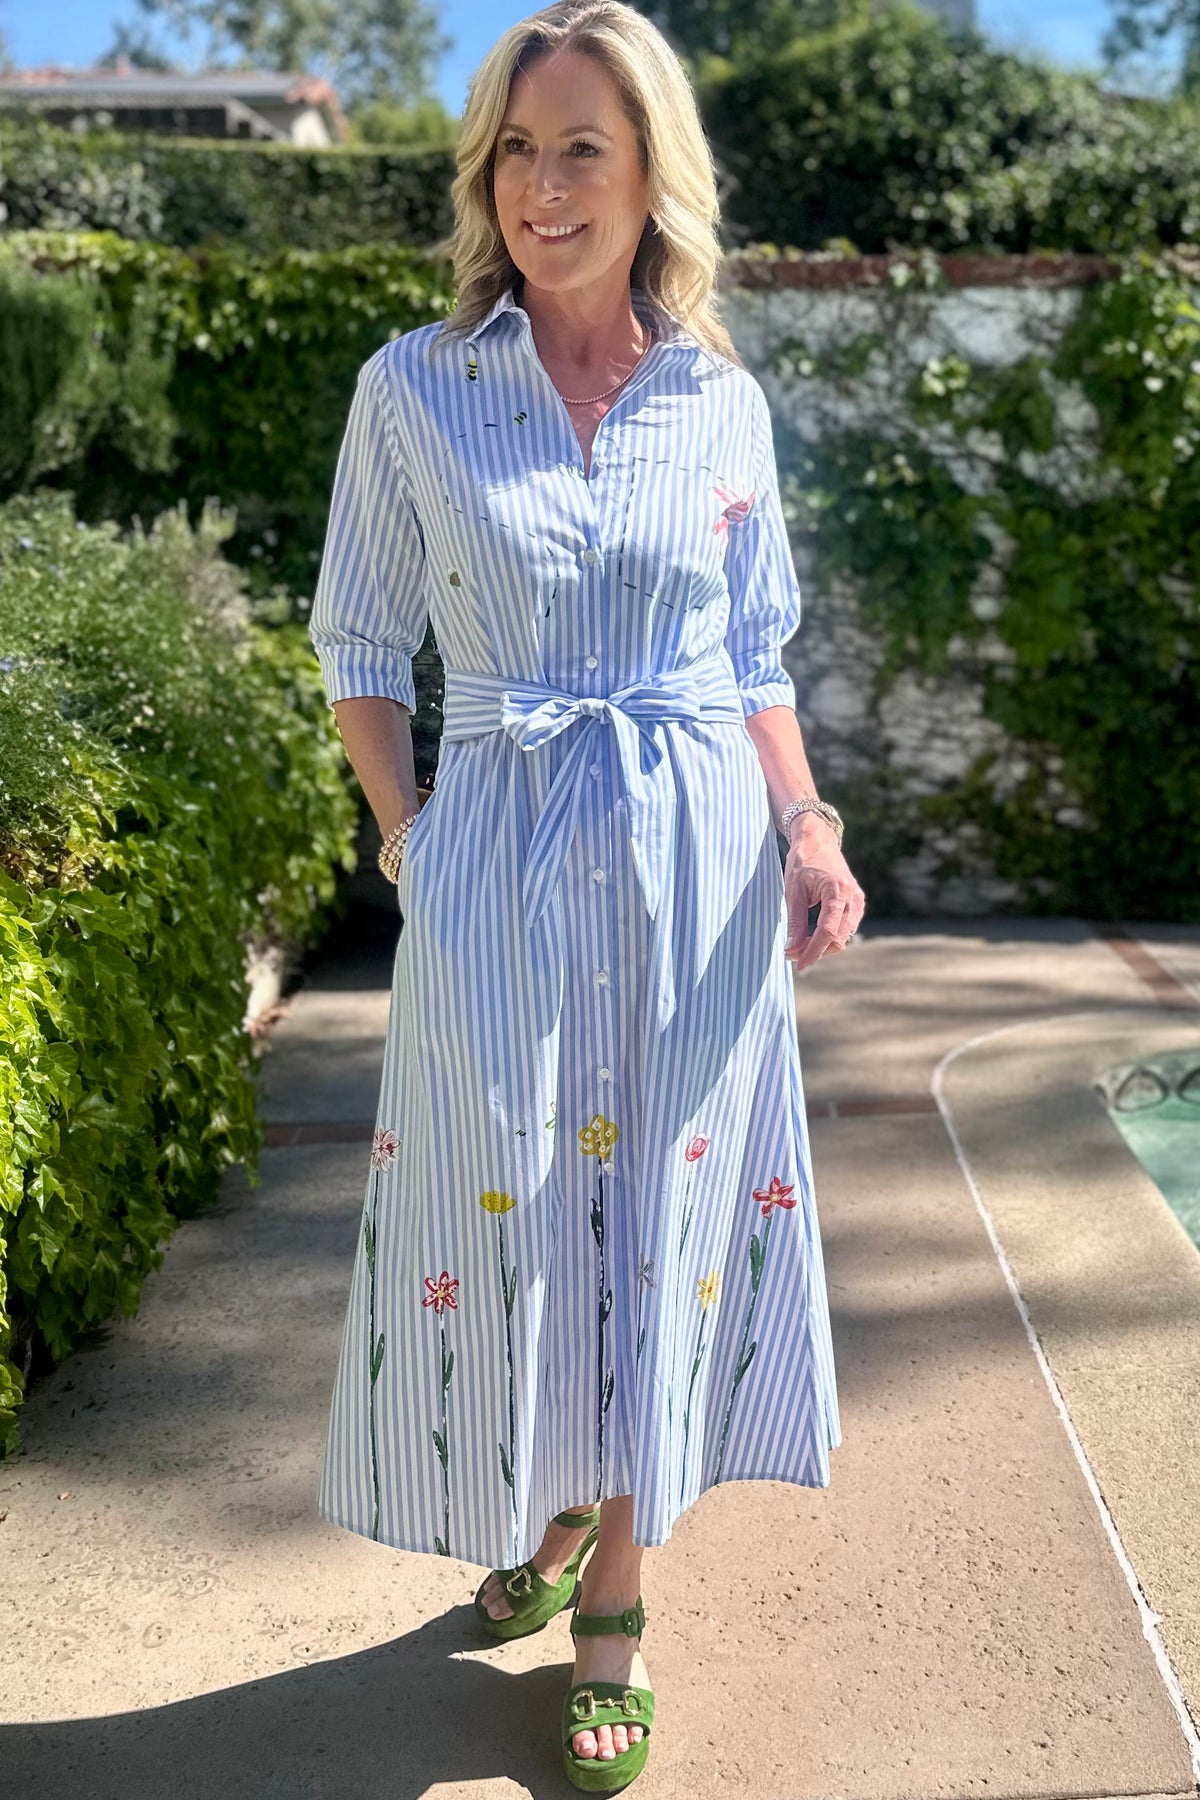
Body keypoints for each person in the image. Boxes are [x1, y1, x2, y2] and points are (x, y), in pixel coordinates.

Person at [307, 0, 866, 1787]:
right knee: (523, 1213)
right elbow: (358, 643)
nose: (544, 188)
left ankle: (613, 1598)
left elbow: (753, 657)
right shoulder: (414, 388)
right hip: (500, 859)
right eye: (517, 152)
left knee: (661, 1224)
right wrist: (412, 834)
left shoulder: (720, 401)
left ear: (649, 176)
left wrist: (807, 827)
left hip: (696, 865)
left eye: (582, 151)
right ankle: (554, 1505)